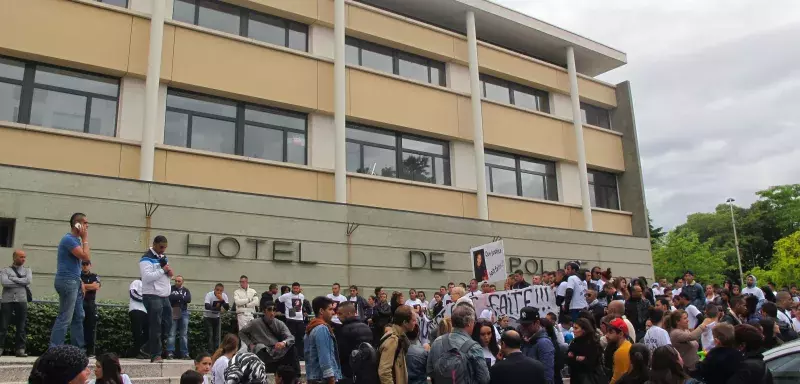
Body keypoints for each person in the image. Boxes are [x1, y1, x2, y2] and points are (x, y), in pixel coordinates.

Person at [50, 212, 90, 348]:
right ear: (77, 225)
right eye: (85, 223)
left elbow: (75, 265)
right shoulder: (68, 239)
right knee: (65, 317)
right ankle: (54, 349)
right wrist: (85, 239)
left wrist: (80, 281)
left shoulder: (75, 240)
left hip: (75, 281)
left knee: (79, 316)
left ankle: (78, 349)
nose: (87, 226)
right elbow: (85, 257)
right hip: (67, 281)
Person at [426, 303, 490, 384]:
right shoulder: (473, 347)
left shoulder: (437, 341)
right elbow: (484, 379)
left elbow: (430, 371)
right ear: (469, 323)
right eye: (474, 322)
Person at [239, 296, 298, 373]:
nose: (272, 313)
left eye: (274, 310)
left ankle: (296, 376)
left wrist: (283, 343)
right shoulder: (255, 323)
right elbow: (241, 332)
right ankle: (261, 371)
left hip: (276, 350)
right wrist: (249, 344)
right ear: (264, 311)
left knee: (292, 348)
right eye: (269, 310)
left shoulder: (279, 323)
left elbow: (290, 337)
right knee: (260, 347)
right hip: (262, 351)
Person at [140, 235, 173, 362]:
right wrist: (163, 270)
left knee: (168, 324)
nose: (163, 249)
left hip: (164, 295)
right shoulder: (146, 258)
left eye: (165, 247)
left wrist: (169, 272)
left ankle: (147, 347)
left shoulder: (163, 257)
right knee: (156, 326)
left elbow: (165, 274)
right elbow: (147, 277)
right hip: (152, 295)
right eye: (161, 247)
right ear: (154, 244)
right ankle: (156, 354)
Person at [0, 249, 31, 357]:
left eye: (24, 257)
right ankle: (0, 348)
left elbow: (28, 281)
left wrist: (12, 279)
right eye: (21, 257)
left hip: (22, 300)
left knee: (21, 326)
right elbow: (4, 282)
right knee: (3, 326)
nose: (23, 259)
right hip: (7, 301)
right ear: (14, 258)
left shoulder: (27, 270)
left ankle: (20, 349)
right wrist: (20, 282)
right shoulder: (5, 270)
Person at [304, 296, 342, 384]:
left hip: (313, 377)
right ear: (321, 311)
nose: (333, 312)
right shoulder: (322, 329)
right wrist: (331, 379)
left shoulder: (311, 327)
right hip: (322, 379)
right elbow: (324, 356)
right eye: (330, 309)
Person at [334, 301, 372, 384]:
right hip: (365, 372)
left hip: (348, 373)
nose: (337, 316)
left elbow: (340, 353)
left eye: (340, 314)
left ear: (348, 313)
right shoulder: (367, 327)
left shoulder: (344, 330)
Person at [378, 305, 416, 384]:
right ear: (405, 322)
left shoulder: (399, 337)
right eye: (413, 320)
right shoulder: (393, 340)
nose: (415, 323)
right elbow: (384, 372)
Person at [516, 307, 555, 384]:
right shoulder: (525, 340)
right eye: (522, 324)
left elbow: (547, 375)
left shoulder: (543, 343)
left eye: (527, 325)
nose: (523, 328)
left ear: (537, 323)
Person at [567, 318, 604, 384]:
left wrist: (575, 357)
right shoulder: (574, 342)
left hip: (590, 378)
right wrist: (577, 358)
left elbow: (590, 363)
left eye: (576, 328)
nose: (573, 331)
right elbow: (568, 358)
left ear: (584, 330)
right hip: (575, 377)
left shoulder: (593, 343)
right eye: (573, 328)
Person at [278, 282, 306, 361]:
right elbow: (278, 301)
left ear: (299, 288)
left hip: (300, 320)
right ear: (292, 288)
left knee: (300, 338)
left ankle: (301, 356)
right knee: (290, 338)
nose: (296, 290)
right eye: (294, 288)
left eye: (297, 288)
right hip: (291, 320)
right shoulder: (286, 295)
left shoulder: (302, 296)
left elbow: (301, 306)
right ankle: (290, 355)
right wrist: (280, 310)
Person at [168, 275, 192, 359]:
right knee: (172, 333)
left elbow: (188, 299)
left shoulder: (186, 290)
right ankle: (170, 352)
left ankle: (185, 353)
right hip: (175, 309)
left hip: (184, 311)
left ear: (182, 282)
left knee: (184, 334)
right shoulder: (171, 288)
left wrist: (178, 297)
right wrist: (181, 297)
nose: (177, 282)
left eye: (179, 281)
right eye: (176, 281)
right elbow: (170, 297)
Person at [80, 260, 101, 356]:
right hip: (80, 303)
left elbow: (96, 286)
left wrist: (84, 286)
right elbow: (78, 286)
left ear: (90, 265)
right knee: (80, 326)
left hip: (90, 304)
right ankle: (81, 349)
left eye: (86, 264)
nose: (85, 266)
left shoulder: (94, 276)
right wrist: (88, 286)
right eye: (83, 264)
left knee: (90, 327)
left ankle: (90, 351)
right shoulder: (78, 275)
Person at [204, 283, 230, 352]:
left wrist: (222, 300)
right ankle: (210, 351)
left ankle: (217, 351)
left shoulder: (224, 296)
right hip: (208, 317)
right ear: (214, 290)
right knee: (210, 335)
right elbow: (207, 306)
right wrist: (218, 309)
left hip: (217, 317)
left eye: (221, 291)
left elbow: (227, 307)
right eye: (217, 290)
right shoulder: (209, 294)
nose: (219, 292)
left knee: (217, 336)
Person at [127, 278, 149, 359]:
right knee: (137, 332)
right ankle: (137, 352)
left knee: (147, 332)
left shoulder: (150, 286)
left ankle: (143, 351)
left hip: (146, 312)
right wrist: (145, 299)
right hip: (136, 310)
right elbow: (133, 294)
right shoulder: (137, 282)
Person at [606, 318, 632, 384]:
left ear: (620, 334)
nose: (607, 335)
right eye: (607, 331)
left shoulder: (621, 351)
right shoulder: (628, 345)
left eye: (611, 332)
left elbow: (617, 378)